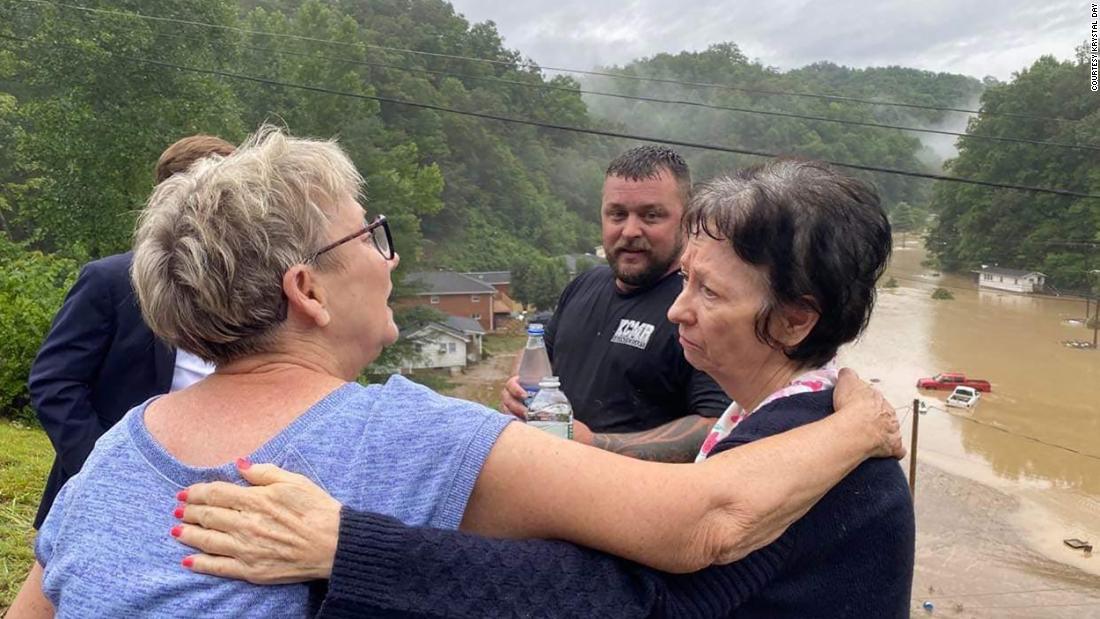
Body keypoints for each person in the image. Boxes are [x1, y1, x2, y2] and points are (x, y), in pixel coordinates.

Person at [9, 132, 903, 618]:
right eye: (372, 237)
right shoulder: (415, 436)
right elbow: (690, 533)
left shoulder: (115, 456)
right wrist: (860, 425)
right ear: (308, 289)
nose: (391, 261)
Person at [27, 134, 236, 529]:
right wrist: (105, 470)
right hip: (101, 499)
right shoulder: (111, 281)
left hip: (203, 500)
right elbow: (55, 382)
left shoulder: (247, 291)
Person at [503, 145, 731, 462]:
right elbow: (542, 352)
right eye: (617, 214)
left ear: (687, 218)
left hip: (634, 503)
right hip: (553, 487)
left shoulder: (698, 309)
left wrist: (594, 443)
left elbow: (718, 425)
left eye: (652, 215)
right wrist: (519, 387)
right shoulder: (582, 285)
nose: (630, 230)